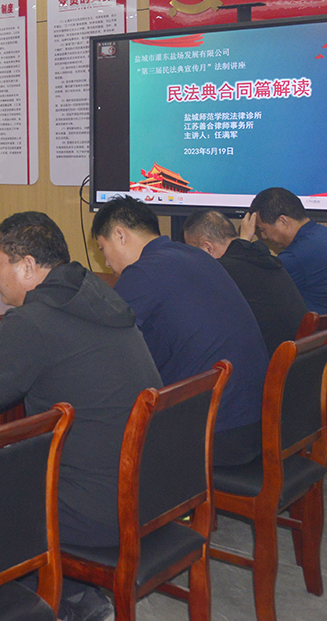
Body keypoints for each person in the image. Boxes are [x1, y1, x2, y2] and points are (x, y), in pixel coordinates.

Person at [0, 210, 160, 621]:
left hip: (97, 512)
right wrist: (1, 349)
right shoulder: (97, 296)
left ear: (27, 266)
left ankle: (31, 603)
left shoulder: (32, 322)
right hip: (150, 491)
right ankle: (75, 593)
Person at [92, 196, 267, 466]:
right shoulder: (195, 255)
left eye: (103, 249)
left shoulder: (143, 272)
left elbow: (100, 349)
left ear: (120, 235)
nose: (106, 262)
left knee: (97, 434)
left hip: (216, 433)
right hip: (258, 421)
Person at [184, 209, 309, 353]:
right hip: (296, 357)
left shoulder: (221, 271)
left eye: (193, 252)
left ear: (207, 248)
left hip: (269, 361)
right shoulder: (260, 258)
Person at [245, 187, 327, 315]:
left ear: (283, 221)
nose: (264, 237)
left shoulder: (296, 255)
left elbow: (253, 294)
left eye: (263, 230)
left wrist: (244, 241)